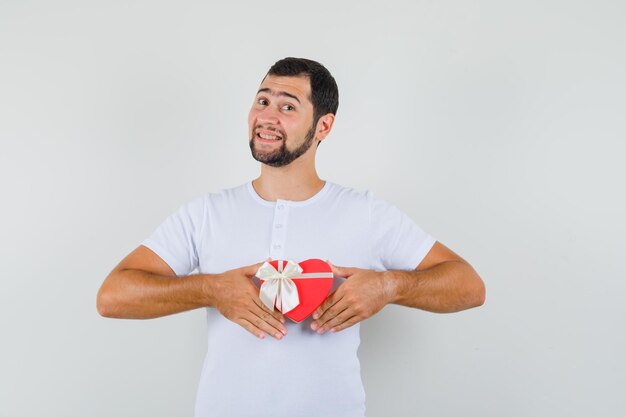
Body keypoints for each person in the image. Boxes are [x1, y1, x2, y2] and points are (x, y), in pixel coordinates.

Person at [97, 57, 485, 417]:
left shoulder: (364, 213)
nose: (267, 116)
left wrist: (388, 287)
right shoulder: (206, 213)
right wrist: (209, 290)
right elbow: (113, 295)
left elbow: (468, 286)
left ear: (323, 127)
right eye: (262, 100)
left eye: (287, 106)